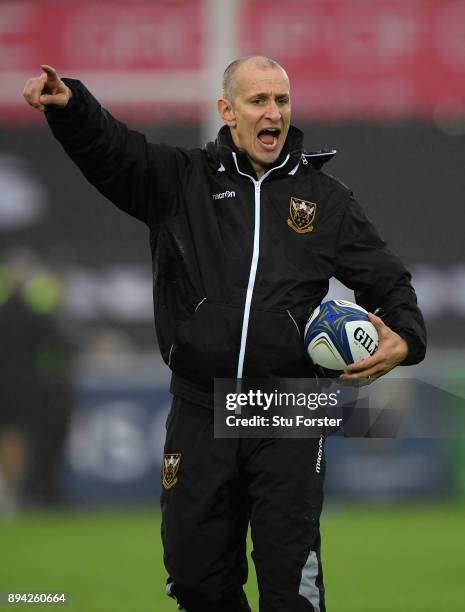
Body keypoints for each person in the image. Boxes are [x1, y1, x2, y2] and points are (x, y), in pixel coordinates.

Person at [23, 56, 426, 611]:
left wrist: (404, 335)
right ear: (227, 112)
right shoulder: (180, 181)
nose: (273, 113)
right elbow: (113, 151)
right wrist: (72, 109)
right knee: (196, 582)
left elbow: (387, 278)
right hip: (201, 407)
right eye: (258, 101)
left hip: (286, 405)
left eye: (282, 101)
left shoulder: (326, 199)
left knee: (292, 587)